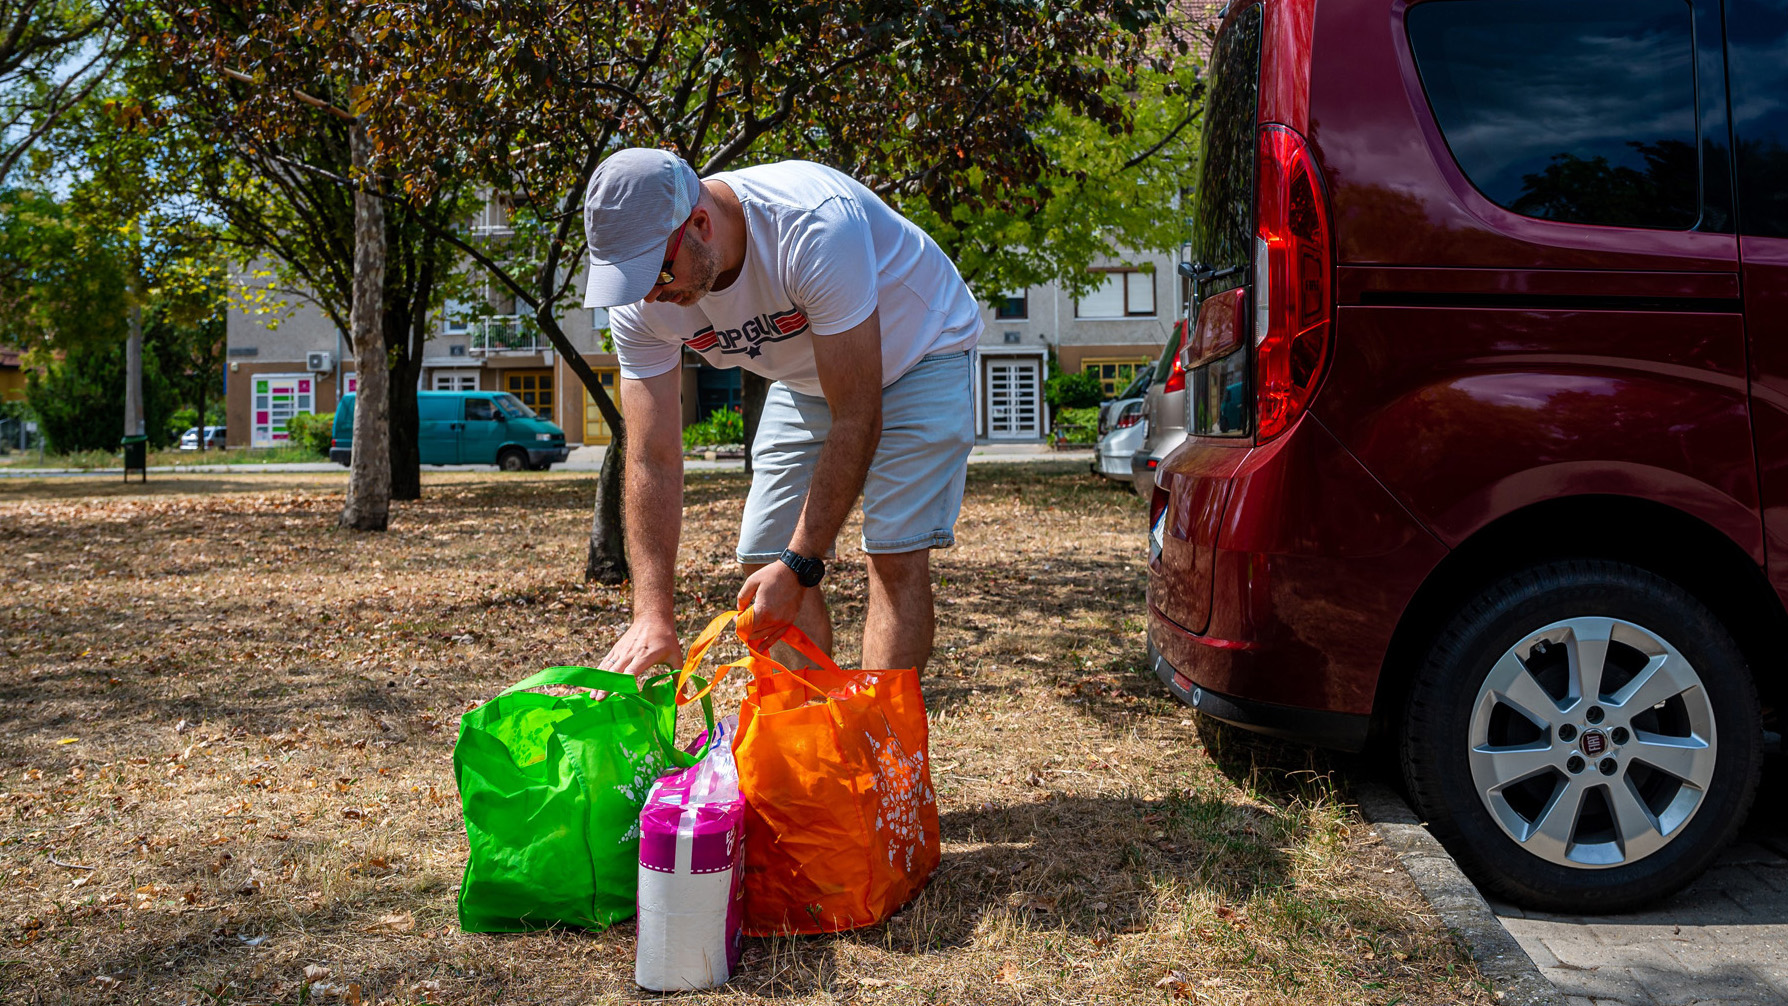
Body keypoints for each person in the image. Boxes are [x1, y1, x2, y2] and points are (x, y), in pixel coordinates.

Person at [582, 147, 982, 677]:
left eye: (656, 275)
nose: (650, 298)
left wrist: (801, 561)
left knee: (892, 554)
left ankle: (883, 744)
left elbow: (857, 415)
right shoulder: (641, 299)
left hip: (923, 347)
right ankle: (815, 732)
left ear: (700, 224)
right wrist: (652, 614)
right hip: (812, 376)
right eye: (629, 282)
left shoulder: (811, 227)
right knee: (761, 556)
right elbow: (652, 455)